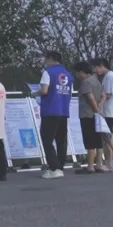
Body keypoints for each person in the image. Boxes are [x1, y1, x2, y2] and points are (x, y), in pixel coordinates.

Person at [34, 51, 73, 179]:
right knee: (61, 140)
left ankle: (54, 167)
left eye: (46, 59)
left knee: (47, 140)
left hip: (50, 110)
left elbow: (44, 90)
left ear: (51, 59)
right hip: (64, 110)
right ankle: (60, 167)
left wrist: (35, 93)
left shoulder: (48, 72)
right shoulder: (68, 74)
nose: (45, 62)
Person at [74, 61, 103, 174]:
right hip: (97, 114)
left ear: (81, 72)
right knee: (98, 140)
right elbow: (102, 96)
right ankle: (99, 164)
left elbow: (90, 97)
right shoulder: (96, 81)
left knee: (89, 140)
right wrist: (99, 109)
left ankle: (90, 166)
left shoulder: (86, 82)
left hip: (87, 114)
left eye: (77, 72)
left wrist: (95, 108)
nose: (76, 75)